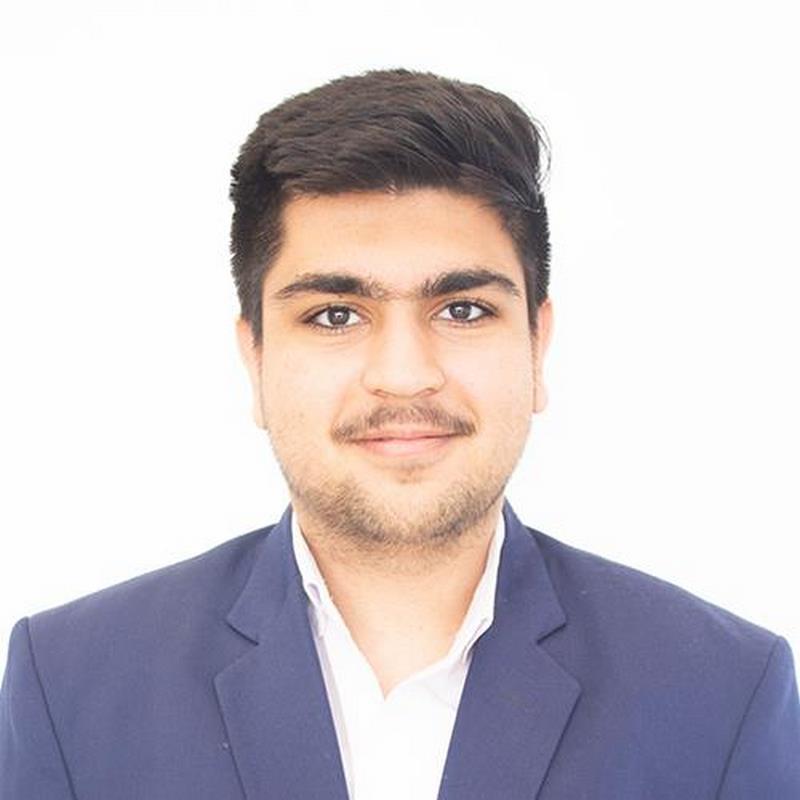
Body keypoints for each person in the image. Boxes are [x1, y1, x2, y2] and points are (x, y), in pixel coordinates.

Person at [1, 67, 798, 799]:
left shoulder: (724, 694)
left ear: (537, 347)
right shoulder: (68, 687)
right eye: (335, 315)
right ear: (255, 357)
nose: (405, 375)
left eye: (463, 310)